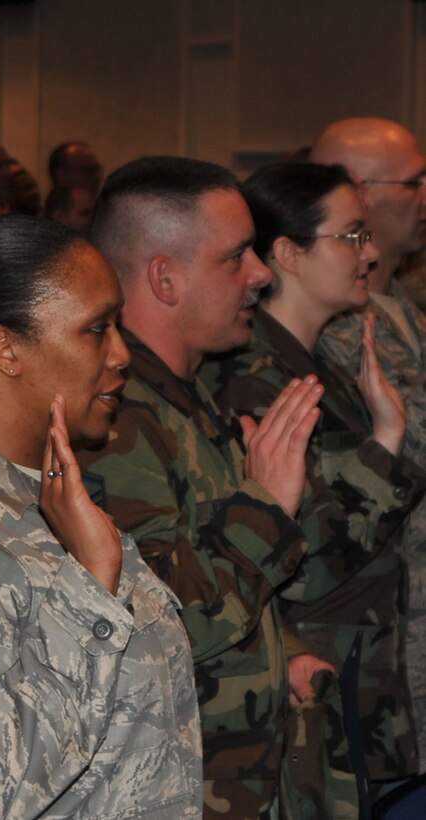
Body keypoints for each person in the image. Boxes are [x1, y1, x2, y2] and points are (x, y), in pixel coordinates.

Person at [0, 215, 202, 818]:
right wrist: (91, 590)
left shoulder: (36, 492)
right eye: (96, 329)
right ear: (5, 348)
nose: (123, 354)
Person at [77, 156, 332, 818]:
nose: (261, 274)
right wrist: (266, 509)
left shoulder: (181, 396)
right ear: (165, 277)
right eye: (235, 257)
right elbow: (156, 619)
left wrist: (290, 653)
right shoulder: (117, 416)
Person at [211, 161, 424, 796]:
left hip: (358, 681)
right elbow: (303, 560)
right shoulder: (255, 378)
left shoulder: (309, 364)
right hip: (316, 684)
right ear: (288, 253)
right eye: (352, 236)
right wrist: (386, 442)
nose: (373, 252)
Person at [312, 118, 426, 768]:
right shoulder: (337, 331)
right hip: (381, 636)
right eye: (413, 182)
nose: (425, 196)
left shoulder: (400, 311)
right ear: (358, 188)